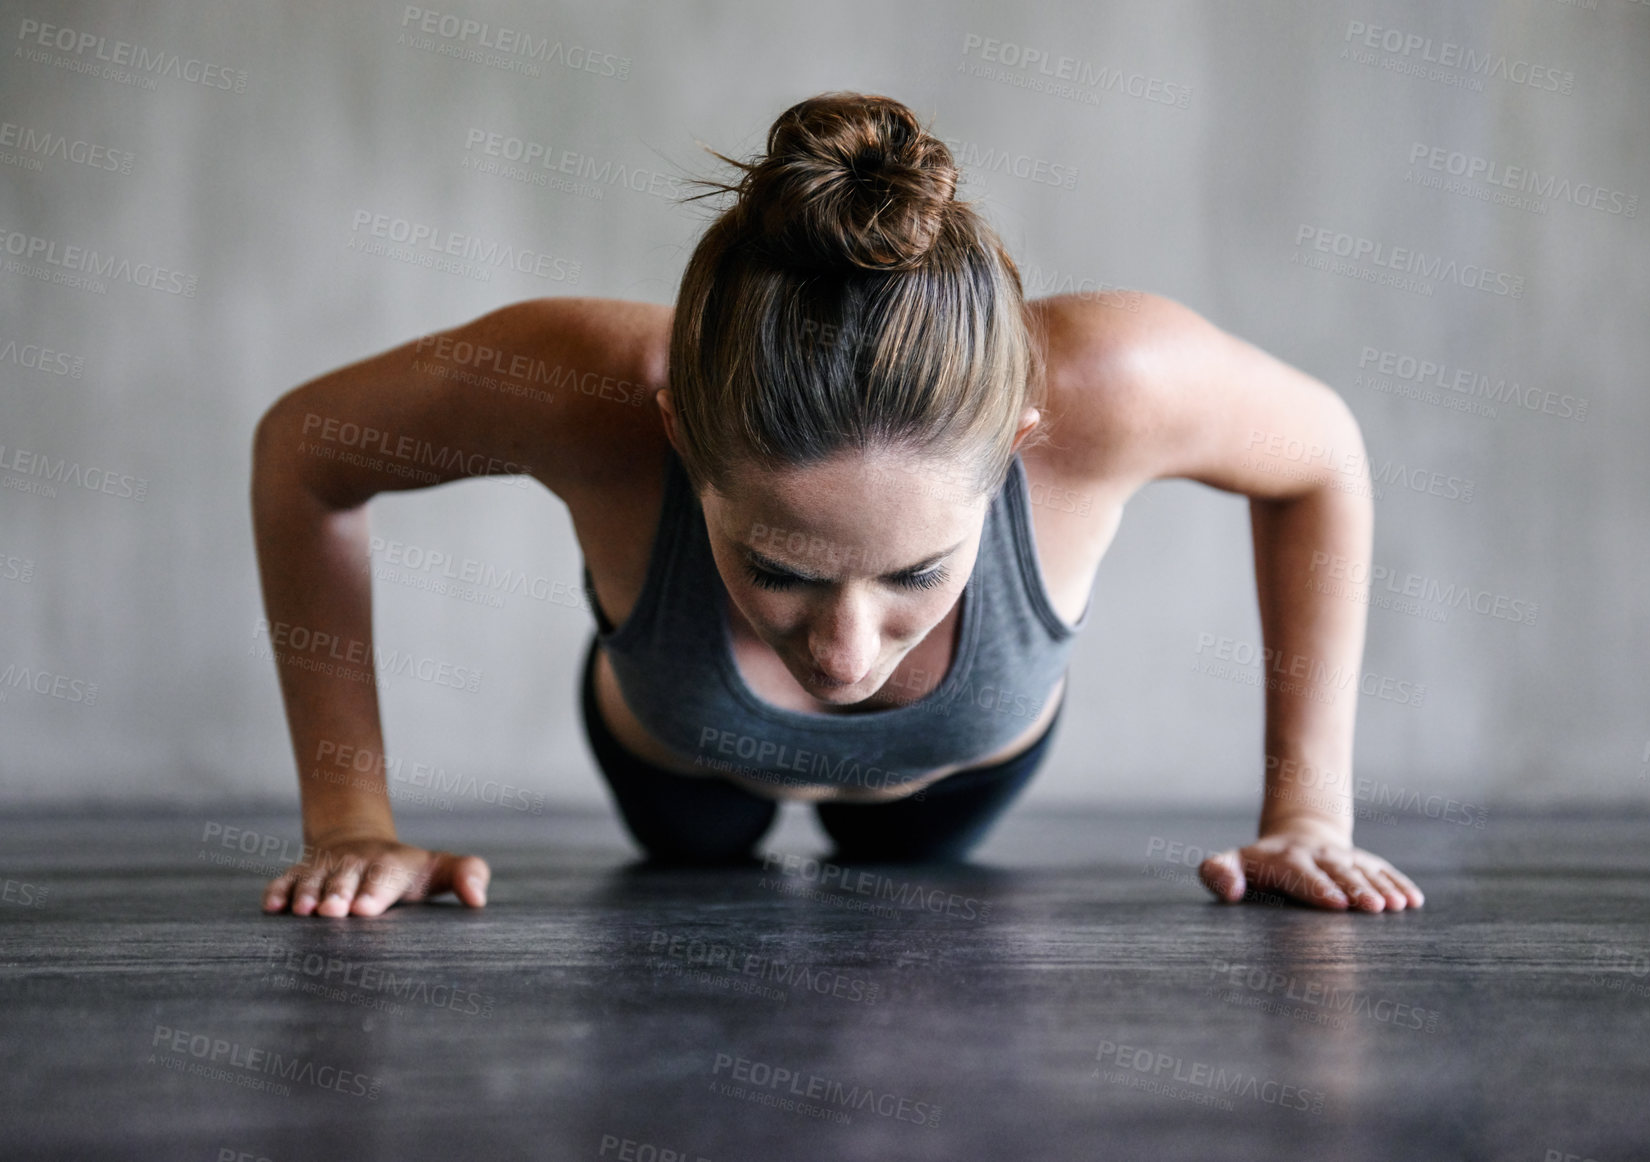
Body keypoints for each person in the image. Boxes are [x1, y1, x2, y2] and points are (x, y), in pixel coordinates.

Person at [250, 91, 1424, 919]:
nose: (845, 652)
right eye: (780, 569)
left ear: (1021, 443)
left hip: (954, 781)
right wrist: (351, 820)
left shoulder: (1111, 387)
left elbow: (1322, 456)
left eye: (914, 574)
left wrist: (1309, 813)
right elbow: (306, 455)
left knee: (908, 877)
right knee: (697, 861)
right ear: (677, 436)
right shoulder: (586, 390)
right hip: (680, 772)